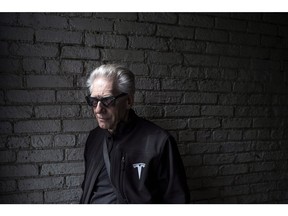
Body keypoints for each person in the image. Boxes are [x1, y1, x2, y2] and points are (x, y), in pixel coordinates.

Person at [80, 64, 190, 204]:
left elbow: (177, 200)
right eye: (93, 101)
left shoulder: (159, 142)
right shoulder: (94, 138)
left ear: (128, 101)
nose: (98, 109)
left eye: (107, 100)